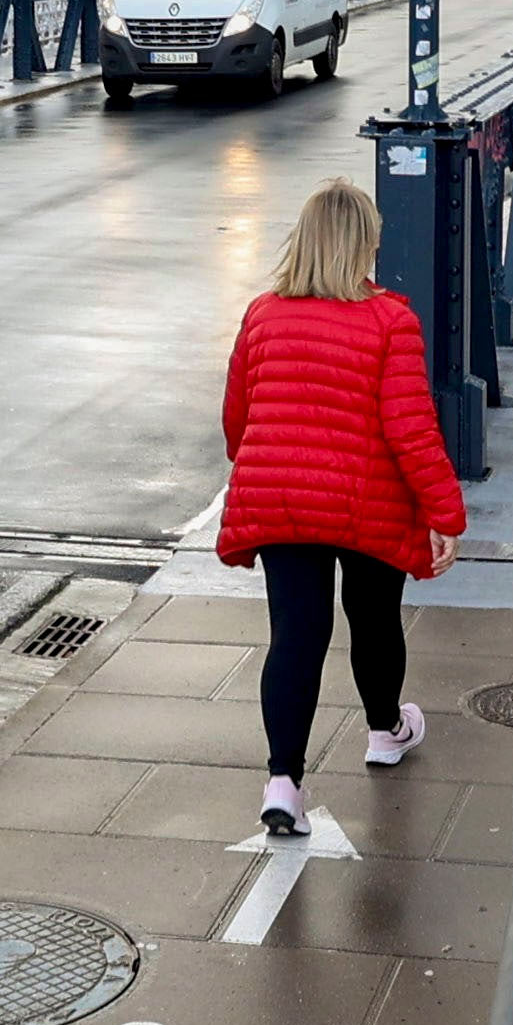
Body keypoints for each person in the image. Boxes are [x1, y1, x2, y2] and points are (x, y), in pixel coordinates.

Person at [215, 176, 467, 838]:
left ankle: (282, 782)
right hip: (367, 498)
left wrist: (270, 461)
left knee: (295, 637)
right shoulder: (390, 320)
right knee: (373, 617)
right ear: (365, 246)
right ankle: (385, 730)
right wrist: (444, 512)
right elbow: (409, 429)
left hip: (279, 498)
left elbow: (237, 418)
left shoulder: (263, 313)